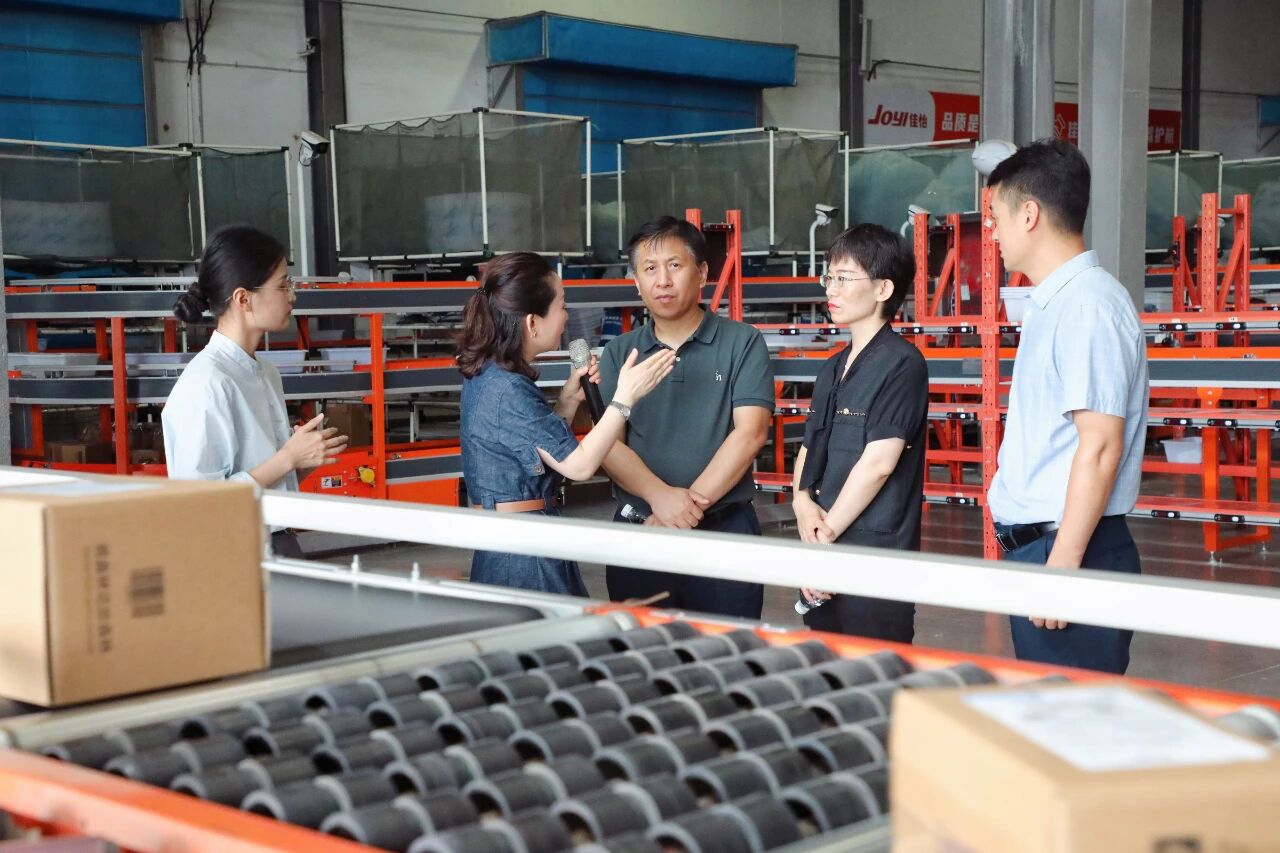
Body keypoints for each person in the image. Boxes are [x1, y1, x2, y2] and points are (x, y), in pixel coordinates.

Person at [985, 138, 1149, 674]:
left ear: (1029, 214)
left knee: (1073, 715)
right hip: (1049, 549)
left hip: (1072, 551)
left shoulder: (1087, 306)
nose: (993, 233)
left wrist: (1062, 567)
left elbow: (1100, 446)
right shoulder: (1055, 304)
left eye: (996, 217)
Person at [457, 251, 675, 596]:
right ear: (532, 322)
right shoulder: (508, 389)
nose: (567, 316)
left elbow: (536, 445)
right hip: (524, 553)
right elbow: (579, 465)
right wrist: (625, 397)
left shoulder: (491, 376)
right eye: (562, 305)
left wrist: (568, 401)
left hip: (514, 539)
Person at [598, 216, 775, 619]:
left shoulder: (742, 342)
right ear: (636, 282)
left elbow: (750, 434)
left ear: (703, 273)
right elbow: (608, 443)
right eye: (649, 269)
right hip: (641, 530)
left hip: (723, 533)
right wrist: (660, 500)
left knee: (726, 647)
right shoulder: (620, 352)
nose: (662, 280)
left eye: (675, 265)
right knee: (643, 648)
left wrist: (680, 512)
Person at [163, 225, 347, 558]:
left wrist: (302, 459)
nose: (292, 296)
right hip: (230, 553)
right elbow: (199, 502)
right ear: (243, 299)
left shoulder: (265, 373)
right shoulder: (206, 384)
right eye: (283, 285)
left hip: (277, 539)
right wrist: (287, 458)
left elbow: (266, 476)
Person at [791, 224, 929, 643]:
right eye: (829, 277)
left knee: (875, 668)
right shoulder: (832, 367)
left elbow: (878, 464)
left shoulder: (903, 364)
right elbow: (809, 446)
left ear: (883, 289)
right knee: (824, 665)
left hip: (873, 555)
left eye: (844, 278)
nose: (831, 289)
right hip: (823, 546)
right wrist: (801, 504)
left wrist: (825, 538)